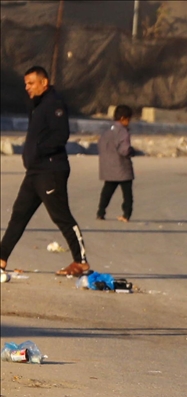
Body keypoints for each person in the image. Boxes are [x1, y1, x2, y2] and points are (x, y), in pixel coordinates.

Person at [0, 66, 89, 280]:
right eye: (25, 84)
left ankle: (81, 262)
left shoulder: (54, 104)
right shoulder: (37, 105)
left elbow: (61, 135)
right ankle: (1, 258)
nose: (27, 88)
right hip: (35, 171)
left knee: (61, 216)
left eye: (31, 83)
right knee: (19, 215)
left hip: (50, 170)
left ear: (44, 82)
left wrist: (38, 151)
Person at [96, 105, 135, 222]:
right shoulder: (123, 132)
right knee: (127, 194)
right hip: (122, 167)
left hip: (108, 167)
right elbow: (124, 150)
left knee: (107, 191)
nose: (129, 122)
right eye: (128, 119)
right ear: (123, 118)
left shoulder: (107, 131)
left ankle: (100, 212)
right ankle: (126, 214)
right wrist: (132, 151)